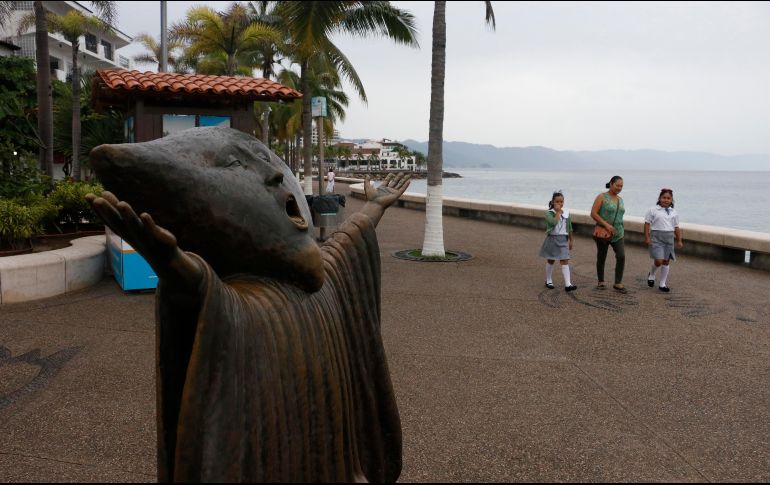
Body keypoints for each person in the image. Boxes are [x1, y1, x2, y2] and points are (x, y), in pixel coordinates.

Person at [591, 175, 627, 293]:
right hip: (603, 232)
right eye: (617, 185)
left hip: (618, 233)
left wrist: (620, 228)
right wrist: (606, 225)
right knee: (602, 256)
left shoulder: (620, 199)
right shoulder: (602, 197)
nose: (619, 188)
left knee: (621, 256)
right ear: (611, 184)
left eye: (621, 186)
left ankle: (618, 282)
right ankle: (601, 281)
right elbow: (593, 213)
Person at [644, 188, 684, 292]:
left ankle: (662, 284)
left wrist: (679, 240)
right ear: (659, 198)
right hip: (656, 237)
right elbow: (647, 224)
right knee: (659, 261)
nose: (666, 200)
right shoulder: (653, 210)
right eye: (664, 198)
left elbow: (676, 227)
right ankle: (652, 274)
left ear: (671, 200)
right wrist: (647, 237)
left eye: (668, 198)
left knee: (666, 261)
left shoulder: (674, 212)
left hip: (669, 238)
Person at [538, 191, 576, 292]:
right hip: (552, 239)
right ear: (553, 202)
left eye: (561, 201)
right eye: (557, 201)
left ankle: (568, 284)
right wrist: (558, 212)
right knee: (551, 260)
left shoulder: (567, 213)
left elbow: (570, 228)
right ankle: (549, 280)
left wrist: (571, 240)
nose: (560, 203)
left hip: (563, 239)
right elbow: (552, 222)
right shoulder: (549, 213)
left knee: (565, 260)